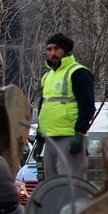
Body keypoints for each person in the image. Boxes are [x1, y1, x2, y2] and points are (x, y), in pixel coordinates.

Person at [37, 32, 95, 182]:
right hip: (49, 137)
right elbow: (43, 106)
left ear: (66, 51)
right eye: (49, 49)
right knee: (52, 185)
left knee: (71, 183)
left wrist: (80, 133)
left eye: (56, 49)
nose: (52, 53)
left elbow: (87, 105)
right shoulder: (47, 77)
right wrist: (39, 136)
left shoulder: (78, 73)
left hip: (69, 137)